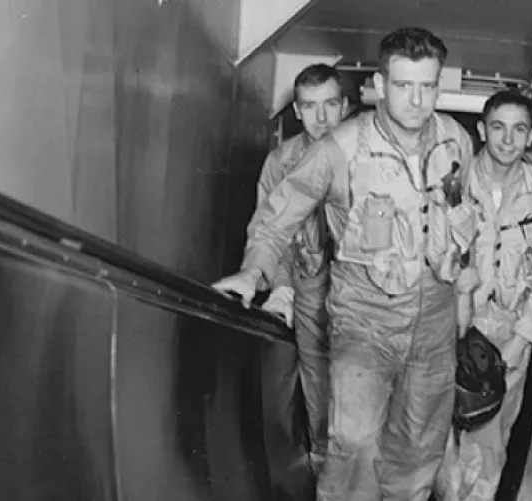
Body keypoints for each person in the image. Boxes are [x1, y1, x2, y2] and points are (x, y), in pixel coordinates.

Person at [213, 27, 478, 501]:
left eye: (427, 86)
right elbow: (280, 214)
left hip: (434, 321)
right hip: (365, 317)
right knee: (353, 443)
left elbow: (464, 216)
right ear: (379, 84)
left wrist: (465, 292)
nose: (417, 100)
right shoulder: (340, 148)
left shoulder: (456, 140)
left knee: (419, 447)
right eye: (403, 85)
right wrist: (255, 271)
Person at [435, 89, 532, 501]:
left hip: (509, 336)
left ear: (531, 137)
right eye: (498, 127)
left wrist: (524, 333)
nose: (508, 140)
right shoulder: (452, 185)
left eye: (519, 130)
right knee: (438, 444)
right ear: (482, 130)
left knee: (491, 447)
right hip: (451, 330)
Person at [255, 63, 349, 478]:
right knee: (318, 385)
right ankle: (326, 477)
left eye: (330, 104)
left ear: (345, 106)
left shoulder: (366, 154)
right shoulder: (280, 162)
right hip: (310, 287)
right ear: (296, 110)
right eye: (310, 107)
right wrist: (280, 288)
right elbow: (269, 228)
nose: (322, 118)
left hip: (363, 294)